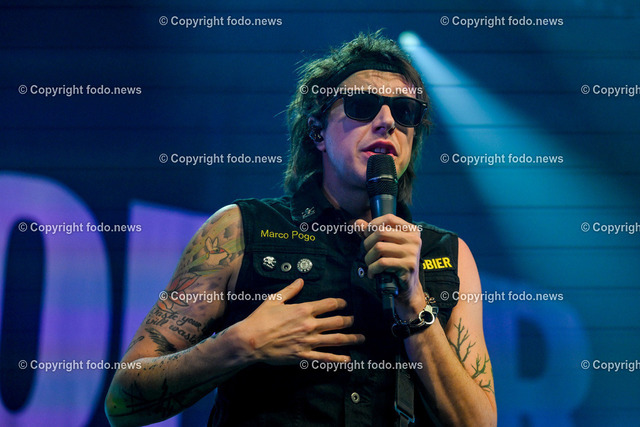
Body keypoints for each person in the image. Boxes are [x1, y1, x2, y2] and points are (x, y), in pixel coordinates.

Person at [105, 31, 497, 426]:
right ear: (317, 132)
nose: (387, 121)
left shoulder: (447, 254)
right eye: (362, 106)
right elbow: (122, 402)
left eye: (405, 111)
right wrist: (241, 343)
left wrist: (414, 304)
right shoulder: (239, 230)